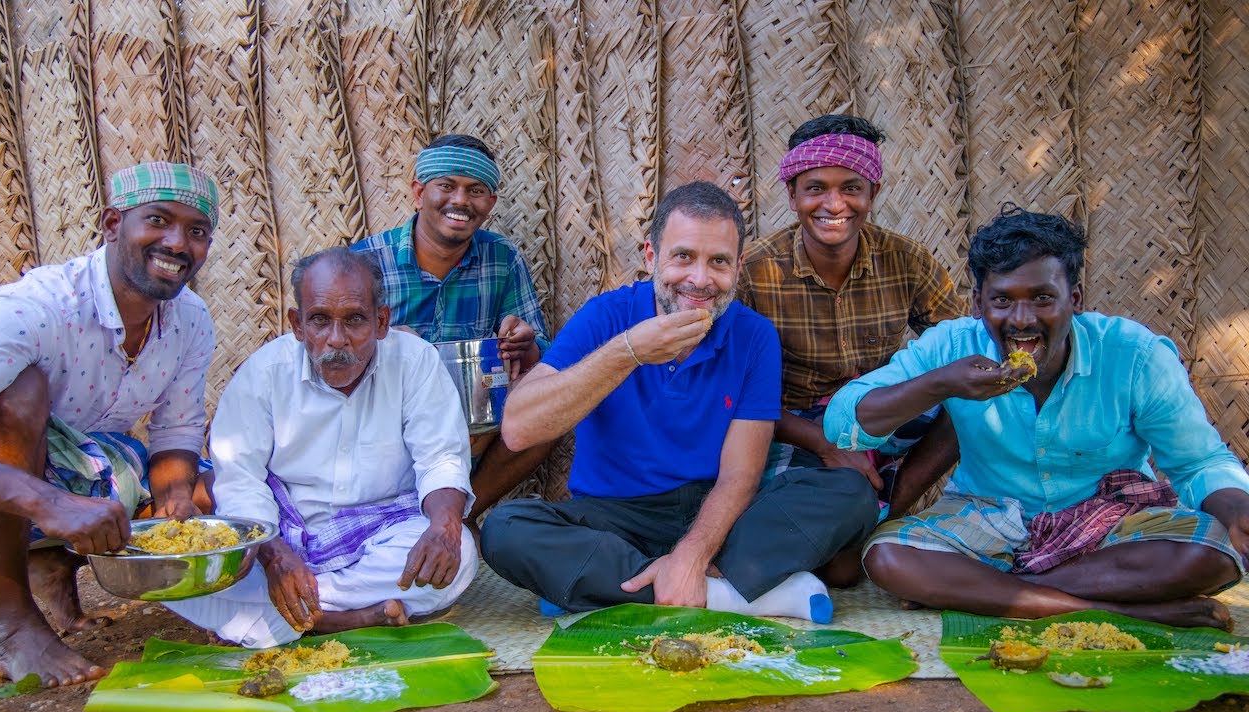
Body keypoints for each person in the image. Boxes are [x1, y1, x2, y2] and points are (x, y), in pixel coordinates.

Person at [825, 205, 1249, 629]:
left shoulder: (1134, 355)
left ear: (1075, 299)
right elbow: (842, 424)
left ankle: (1003, 589)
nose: (1022, 321)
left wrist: (1237, 510)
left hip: (1109, 520)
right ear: (977, 303)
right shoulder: (951, 347)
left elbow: (1199, 463)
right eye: (1002, 300)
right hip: (987, 515)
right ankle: (1122, 610)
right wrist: (939, 385)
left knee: (1214, 553)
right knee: (888, 555)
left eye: (1043, 298)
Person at [481, 182, 875, 623]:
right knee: (505, 529)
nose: (700, 280)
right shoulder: (607, 316)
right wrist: (629, 351)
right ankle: (736, 596)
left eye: (719, 262)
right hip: (614, 518)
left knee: (850, 492)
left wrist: (691, 553)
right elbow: (518, 429)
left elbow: (739, 476)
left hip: (716, 519)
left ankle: (607, 588)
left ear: (738, 266)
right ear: (651, 256)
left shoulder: (754, 335)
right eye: (683, 256)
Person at [0, 161, 220, 685]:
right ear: (111, 225)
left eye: (196, 231)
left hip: (84, 465)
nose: (178, 243)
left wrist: (174, 504)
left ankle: (50, 562)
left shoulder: (190, 320)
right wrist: (49, 503)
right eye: (157, 220)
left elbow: (175, 434)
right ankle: (14, 623)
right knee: (22, 392)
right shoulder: (37, 307)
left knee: (204, 485)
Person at [166, 248, 477, 648]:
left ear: (381, 322)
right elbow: (240, 480)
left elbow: (441, 458)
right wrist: (275, 556)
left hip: (383, 533)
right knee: (186, 576)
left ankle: (288, 615)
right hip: (278, 536)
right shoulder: (263, 375)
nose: (336, 339)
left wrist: (444, 527)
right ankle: (349, 619)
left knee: (461, 554)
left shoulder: (416, 363)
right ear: (297, 324)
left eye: (354, 320)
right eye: (319, 320)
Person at [737, 115, 967, 574]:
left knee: (967, 404)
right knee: (838, 570)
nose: (833, 203)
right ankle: (852, 513)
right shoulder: (756, 271)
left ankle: (885, 513)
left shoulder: (907, 261)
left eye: (851, 187)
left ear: (872, 194)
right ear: (793, 195)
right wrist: (826, 446)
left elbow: (963, 346)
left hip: (881, 415)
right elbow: (734, 391)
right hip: (792, 425)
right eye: (816, 187)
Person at [351, 134, 553, 526]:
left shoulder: (501, 258)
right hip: (387, 426)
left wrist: (526, 344)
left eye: (475, 190)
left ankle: (459, 518)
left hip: (474, 426)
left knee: (547, 416)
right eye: (446, 185)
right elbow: (330, 356)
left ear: (490, 204)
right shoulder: (364, 263)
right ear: (418, 192)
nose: (460, 200)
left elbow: (543, 352)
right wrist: (388, 345)